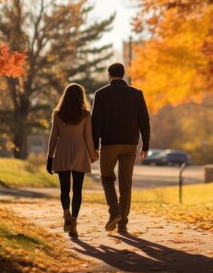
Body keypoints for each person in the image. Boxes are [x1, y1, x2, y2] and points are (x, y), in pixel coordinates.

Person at [92, 63, 150, 234]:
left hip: (109, 144)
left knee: (107, 178)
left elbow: (96, 123)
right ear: (123, 75)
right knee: (126, 184)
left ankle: (114, 212)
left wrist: (94, 147)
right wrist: (145, 145)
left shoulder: (101, 94)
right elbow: (144, 122)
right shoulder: (136, 94)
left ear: (109, 75)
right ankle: (123, 224)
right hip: (130, 145)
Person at [46, 83, 98, 238]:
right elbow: (88, 136)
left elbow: (53, 137)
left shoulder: (58, 114)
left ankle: (66, 214)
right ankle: (73, 223)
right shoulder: (86, 114)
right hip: (80, 153)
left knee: (64, 188)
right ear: (81, 97)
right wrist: (92, 154)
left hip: (62, 152)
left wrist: (50, 157)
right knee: (77, 190)